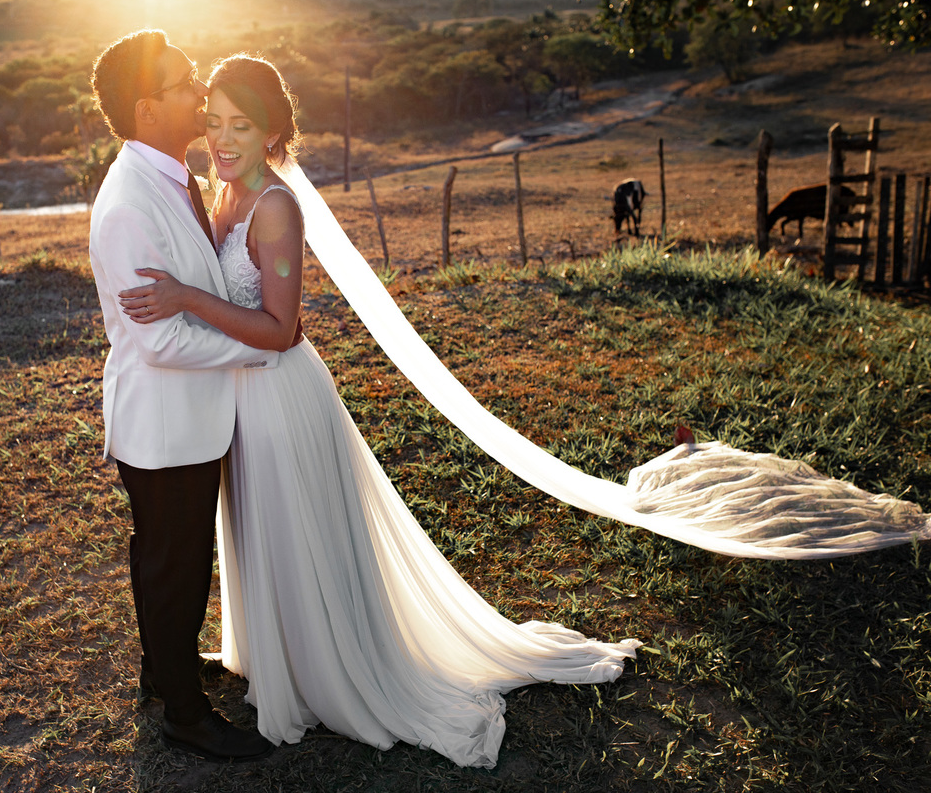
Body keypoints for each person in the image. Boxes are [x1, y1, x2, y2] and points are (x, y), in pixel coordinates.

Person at [118, 53, 640, 769]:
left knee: (297, 535)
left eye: (241, 125)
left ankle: (329, 671)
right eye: (213, 122)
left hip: (278, 393)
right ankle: (283, 660)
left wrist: (186, 298)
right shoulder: (222, 193)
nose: (223, 139)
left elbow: (281, 328)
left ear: (273, 130)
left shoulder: (273, 205)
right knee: (261, 535)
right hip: (233, 398)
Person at [87, 30, 281, 763]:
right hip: (165, 423)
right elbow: (159, 341)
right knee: (176, 562)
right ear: (146, 108)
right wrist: (262, 345)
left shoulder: (173, 175)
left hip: (185, 417)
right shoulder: (130, 202)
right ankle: (185, 716)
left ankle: (161, 671)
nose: (199, 92)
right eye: (183, 83)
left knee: (165, 557)